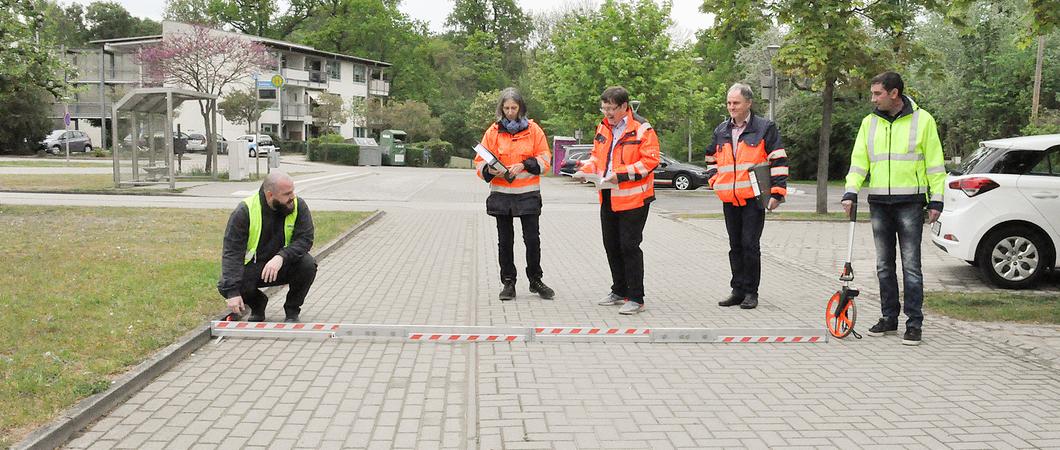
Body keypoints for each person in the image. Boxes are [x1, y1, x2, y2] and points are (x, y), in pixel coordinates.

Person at [842, 71, 945, 346]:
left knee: (911, 266)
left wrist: (937, 198)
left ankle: (914, 324)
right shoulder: (869, 123)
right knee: (884, 266)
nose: (873, 98)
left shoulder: (923, 121)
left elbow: (935, 164)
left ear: (894, 93)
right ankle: (889, 318)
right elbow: (859, 161)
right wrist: (851, 190)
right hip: (879, 203)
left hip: (910, 202)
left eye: (878, 93)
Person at [576, 86, 660, 315]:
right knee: (611, 245)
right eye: (604, 108)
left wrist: (620, 174)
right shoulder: (603, 126)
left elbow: (650, 162)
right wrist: (586, 169)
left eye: (612, 109)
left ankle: (636, 297)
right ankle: (619, 290)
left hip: (634, 198)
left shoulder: (642, 129)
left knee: (629, 246)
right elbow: (597, 156)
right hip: (607, 195)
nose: (607, 113)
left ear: (625, 107)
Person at [705, 83, 788, 310]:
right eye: (729, 103)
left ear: (748, 104)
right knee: (735, 246)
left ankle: (751, 292)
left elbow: (778, 160)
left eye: (736, 103)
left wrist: (778, 192)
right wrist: (715, 181)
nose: (731, 107)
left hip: (753, 197)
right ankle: (737, 290)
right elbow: (710, 157)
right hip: (730, 198)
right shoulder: (721, 130)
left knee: (750, 245)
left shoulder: (765, 128)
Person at [473, 87, 555, 301]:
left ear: (521, 108)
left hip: (528, 194)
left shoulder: (534, 130)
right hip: (501, 195)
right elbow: (479, 161)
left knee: (532, 240)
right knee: (505, 241)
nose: (510, 112)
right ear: (501, 108)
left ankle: (535, 280)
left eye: (514, 108)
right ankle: (508, 282)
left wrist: (525, 164)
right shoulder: (493, 132)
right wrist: (489, 170)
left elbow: (545, 159)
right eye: (506, 108)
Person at [217, 171, 316, 322]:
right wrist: (232, 293)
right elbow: (232, 252)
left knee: (308, 265)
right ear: (270, 195)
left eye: (293, 191)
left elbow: (305, 239)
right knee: (226, 285)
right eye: (287, 194)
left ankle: (292, 310)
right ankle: (258, 305)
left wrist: (281, 257)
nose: (293, 197)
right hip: (254, 267)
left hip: (284, 265)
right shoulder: (245, 211)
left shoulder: (298, 206)